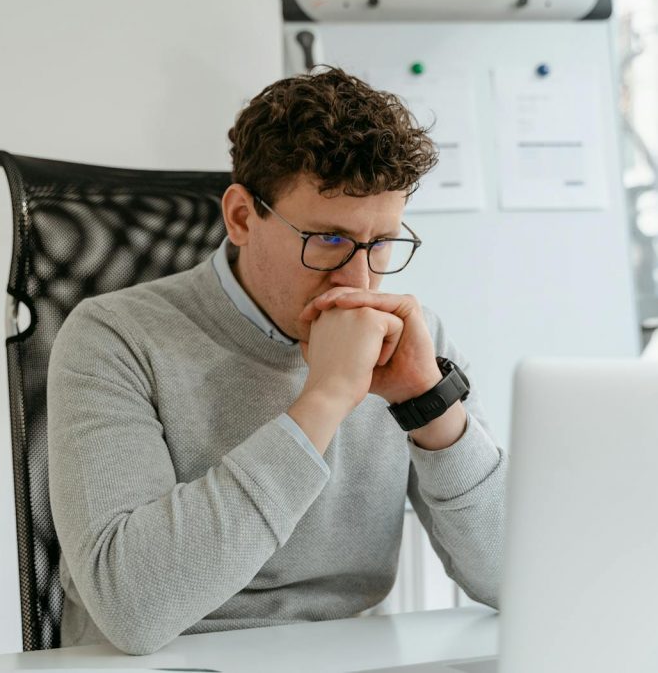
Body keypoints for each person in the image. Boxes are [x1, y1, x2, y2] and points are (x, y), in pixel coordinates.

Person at [47, 66, 507, 656]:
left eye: (381, 243)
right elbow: (133, 609)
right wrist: (324, 400)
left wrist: (429, 404)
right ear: (241, 217)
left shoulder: (410, 337)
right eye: (330, 240)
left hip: (349, 658)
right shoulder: (114, 338)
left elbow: (514, 578)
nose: (359, 280)